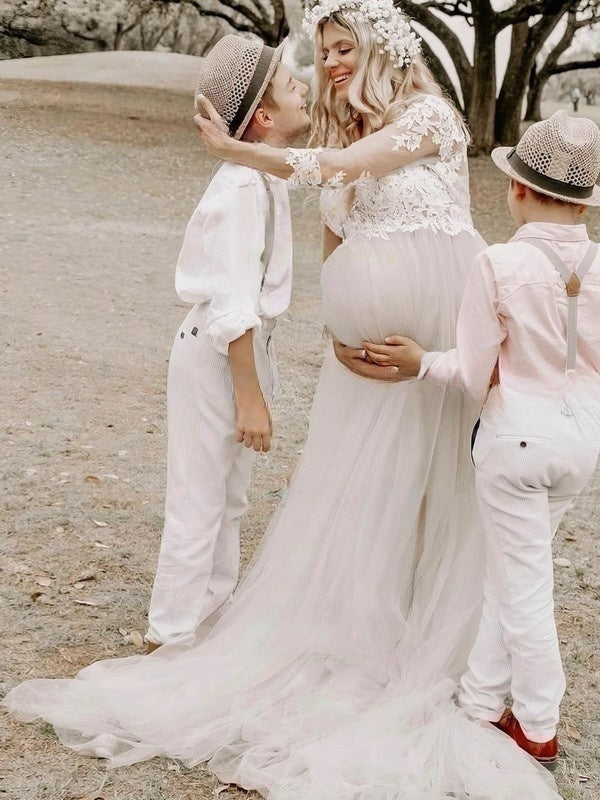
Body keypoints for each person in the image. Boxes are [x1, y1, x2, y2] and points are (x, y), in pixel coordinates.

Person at [3, 3, 560, 798]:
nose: (331, 63)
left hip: (437, 339)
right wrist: (342, 322)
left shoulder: (428, 118)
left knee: (442, 496)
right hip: (362, 365)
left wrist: (237, 150)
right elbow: (336, 229)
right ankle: (358, 637)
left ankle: (449, 656)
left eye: (342, 48)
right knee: (361, 499)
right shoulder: (341, 143)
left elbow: (337, 175)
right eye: (323, 50)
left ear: (380, 49)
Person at [362, 110, 600, 769]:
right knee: (512, 571)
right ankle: (481, 701)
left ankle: (539, 723)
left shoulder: (499, 263)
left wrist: (421, 363)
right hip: (581, 443)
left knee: (525, 588)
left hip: (518, 441)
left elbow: (472, 371)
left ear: (520, 189)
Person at [144, 34, 310, 651]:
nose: (305, 90)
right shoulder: (241, 189)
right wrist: (250, 397)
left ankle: (209, 623)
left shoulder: (261, 174)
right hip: (218, 354)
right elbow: (234, 304)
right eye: (293, 86)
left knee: (229, 500)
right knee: (198, 501)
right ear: (264, 118)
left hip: (242, 352)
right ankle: (172, 637)